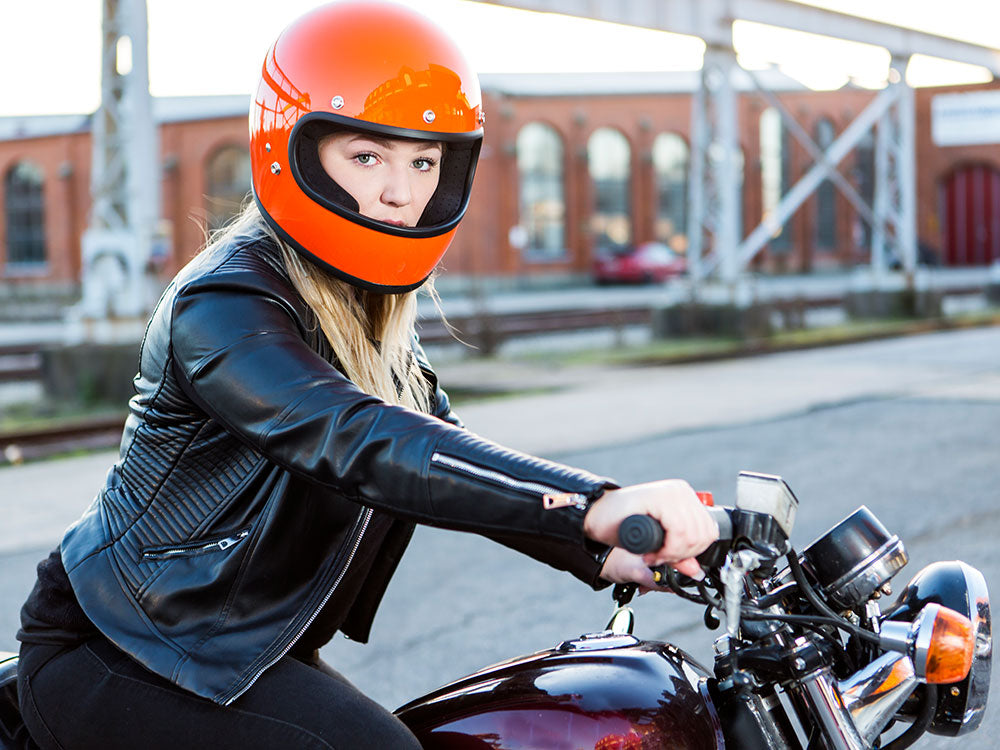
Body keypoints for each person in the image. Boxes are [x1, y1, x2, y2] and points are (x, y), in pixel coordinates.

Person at [14, 2, 718, 748]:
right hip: (120, 647)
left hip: (232, 649)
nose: (401, 192)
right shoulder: (224, 302)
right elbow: (355, 438)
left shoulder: (370, 320)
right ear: (297, 151)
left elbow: (443, 452)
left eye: (424, 161)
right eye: (367, 156)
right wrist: (591, 505)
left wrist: (614, 551)